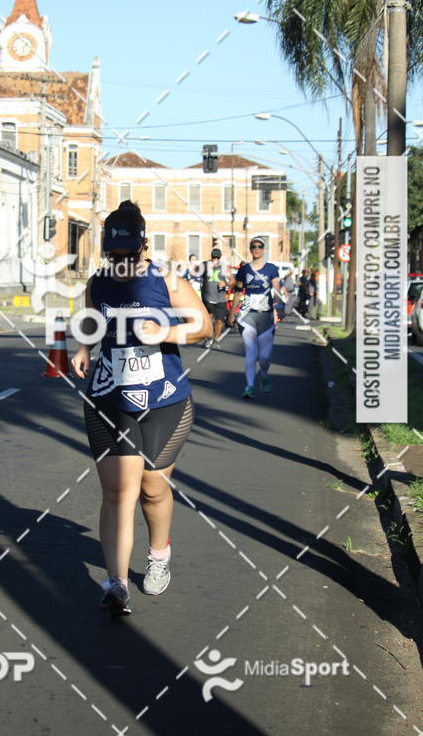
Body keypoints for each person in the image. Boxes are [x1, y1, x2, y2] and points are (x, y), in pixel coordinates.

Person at [71, 201, 212, 615]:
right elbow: (91, 319)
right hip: (109, 396)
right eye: (114, 255)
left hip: (165, 398)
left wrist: (166, 329)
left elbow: (204, 325)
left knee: (152, 488)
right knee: (118, 491)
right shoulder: (98, 282)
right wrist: (83, 348)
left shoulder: (167, 280)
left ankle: (159, 555)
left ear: (144, 246)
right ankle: (115, 584)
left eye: (129, 254)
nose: (122, 262)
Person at [227, 237, 281, 400]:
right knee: (251, 352)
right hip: (247, 315)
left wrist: (278, 306)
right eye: (253, 246)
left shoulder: (271, 269)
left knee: (265, 357)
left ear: (264, 249)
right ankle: (249, 386)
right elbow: (237, 292)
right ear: (250, 249)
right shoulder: (244, 270)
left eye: (259, 246)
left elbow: (277, 290)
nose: (256, 249)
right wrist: (231, 313)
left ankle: (263, 373)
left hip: (266, 317)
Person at [200, 248, 229, 348]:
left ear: (220, 258)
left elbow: (232, 281)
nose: (215, 259)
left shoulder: (225, 268)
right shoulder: (205, 265)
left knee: (219, 320)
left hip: (220, 298)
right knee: (208, 319)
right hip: (207, 297)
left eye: (217, 257)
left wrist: (225, 283)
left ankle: (216, 340)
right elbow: (194, 273)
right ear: (211, 257)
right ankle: (208, 338)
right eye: (214, 257)